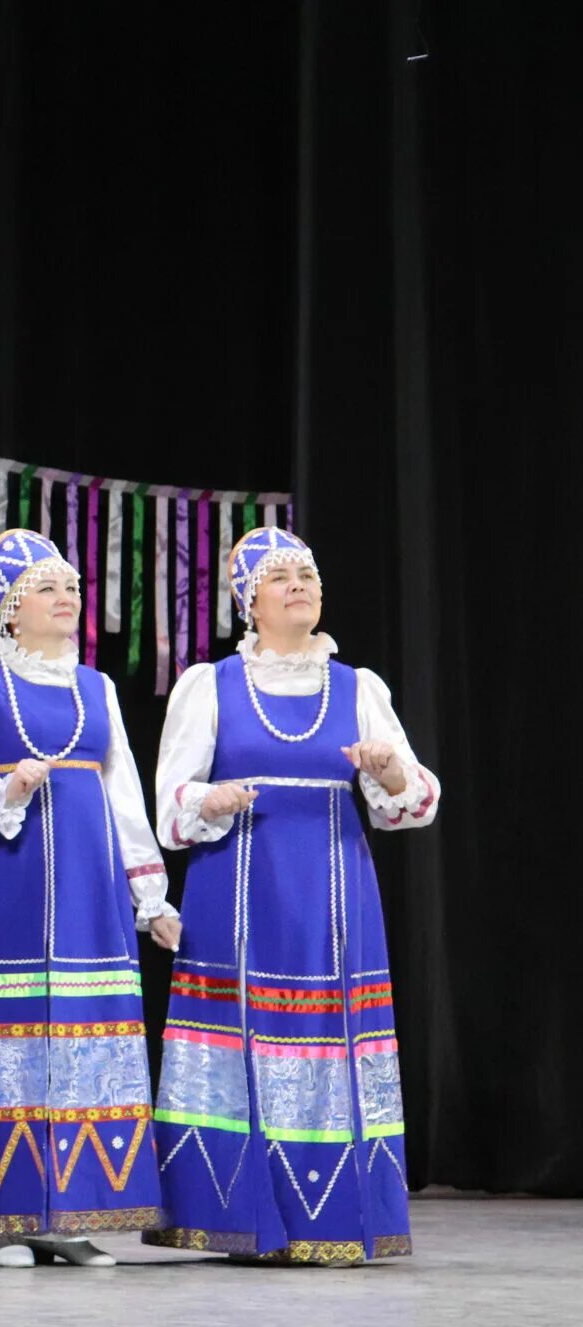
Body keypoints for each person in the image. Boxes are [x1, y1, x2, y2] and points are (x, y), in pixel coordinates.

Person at [145, 525, 438, 1265]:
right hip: (237, 888)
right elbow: (171, 806)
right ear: (251, 602)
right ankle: (235, 1215)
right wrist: (208, 801)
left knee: (324, 1036)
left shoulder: (358, 687)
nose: (300, 585)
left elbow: (414, 797)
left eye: (307, 573)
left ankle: (329, 1218)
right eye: (281, 578)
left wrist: (390, 773)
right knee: (239, 1034)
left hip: (332, 894)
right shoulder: (207, 685)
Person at [0, 529, 175, 1266]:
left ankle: (71, 1211)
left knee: (81, 1036)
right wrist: (7, 789)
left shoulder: (97, 687)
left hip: (88, 890)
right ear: (10, 606)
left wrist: (149, 895)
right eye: (49, 588)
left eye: (73, 588)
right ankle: (5, 1215)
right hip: (6, 877)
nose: (67, 599)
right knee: (13, 1033)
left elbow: (123, 793)